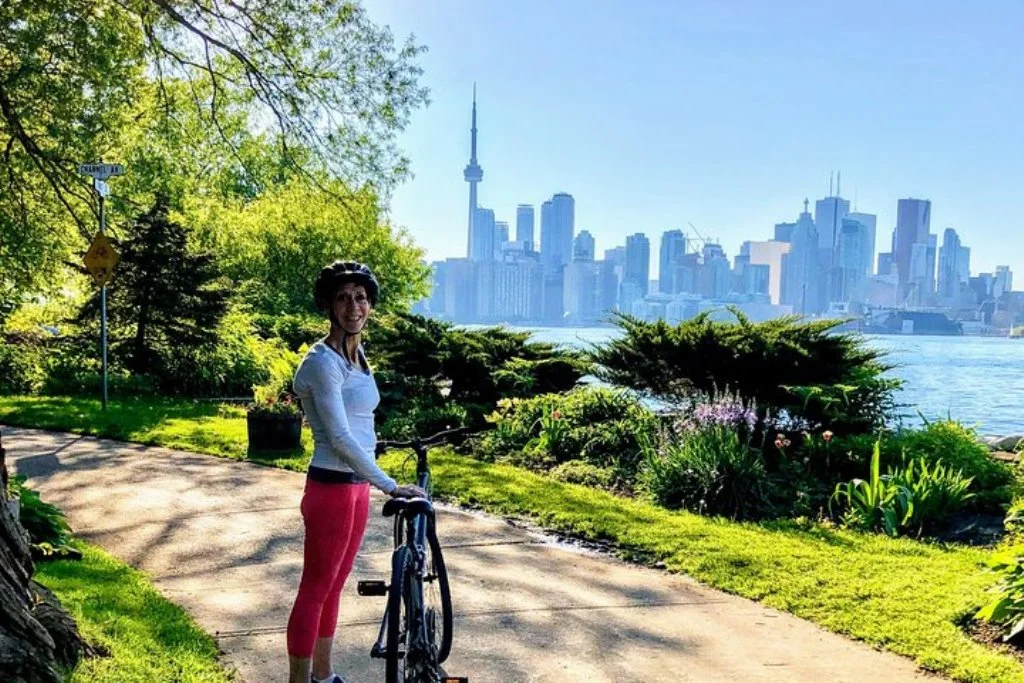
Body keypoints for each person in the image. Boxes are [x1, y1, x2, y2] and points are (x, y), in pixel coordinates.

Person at [286, 261, 425, 683]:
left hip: (355, 488)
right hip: (330, 486)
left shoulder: (357, 354)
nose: (354, 306)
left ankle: (323, 676)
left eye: (361, 298)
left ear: (370, 305)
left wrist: (373, 464)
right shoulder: (321, 362)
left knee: (334, 584)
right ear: (328, 305)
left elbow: (361, 423)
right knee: (315, 588)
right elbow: (341, 438)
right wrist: (388, 484)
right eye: (343, 298)